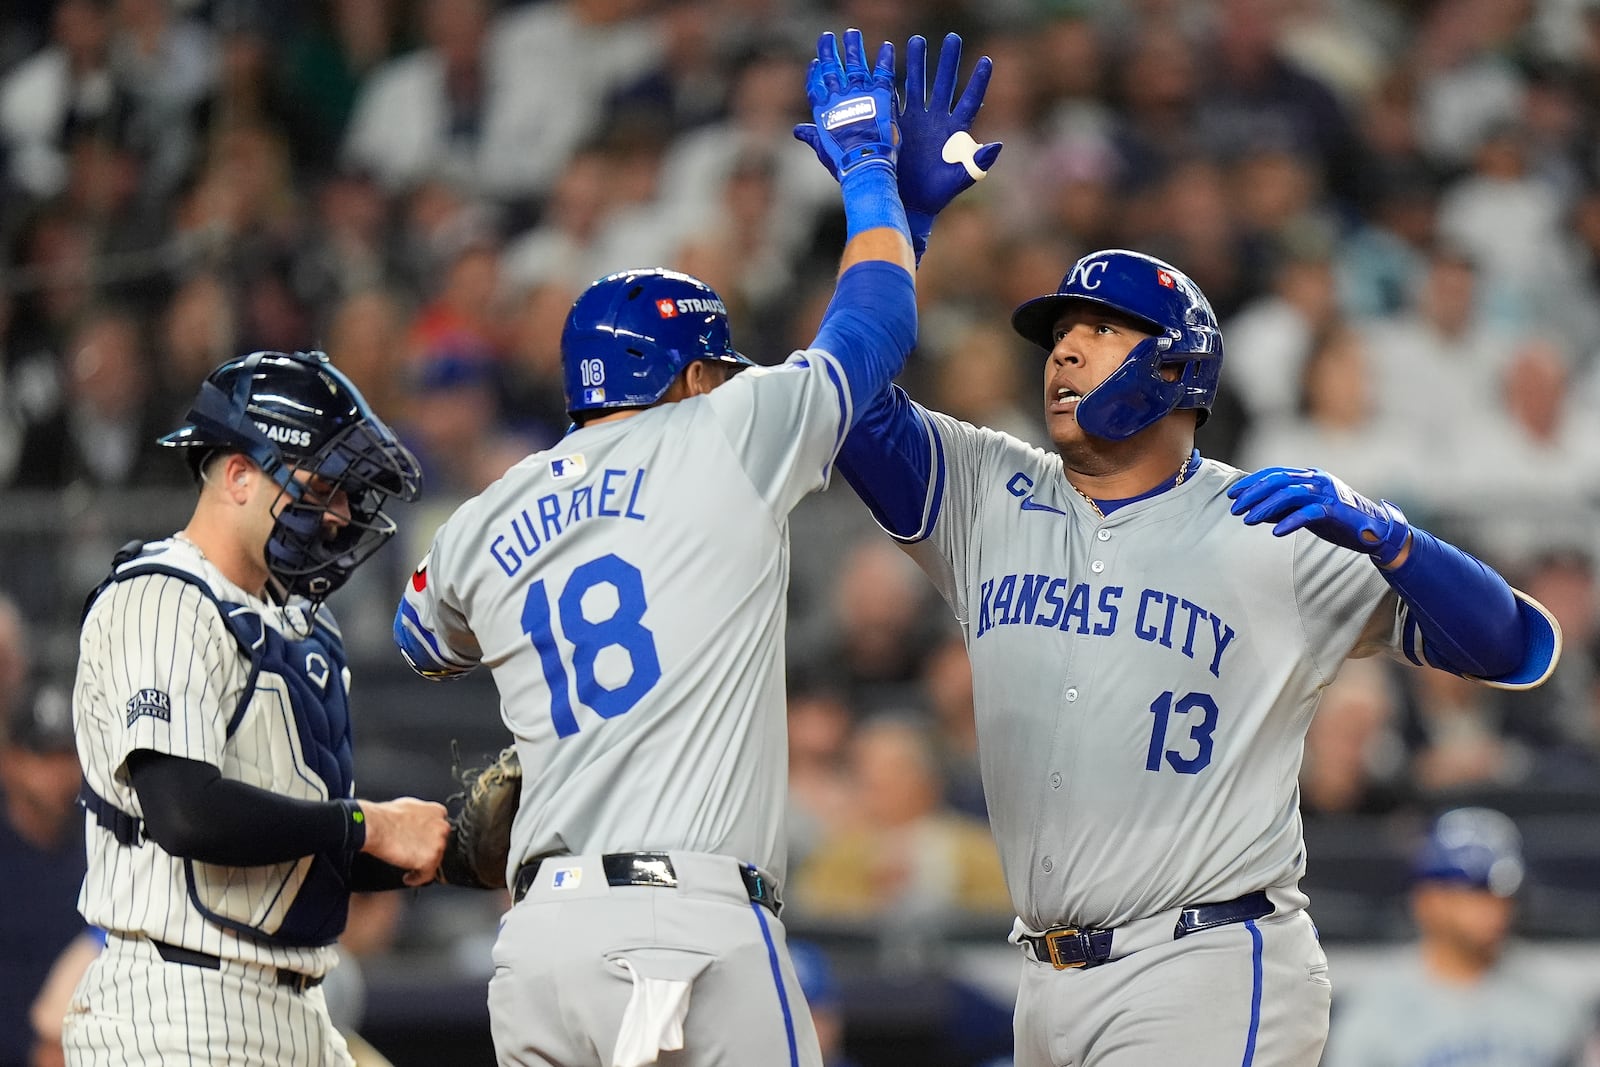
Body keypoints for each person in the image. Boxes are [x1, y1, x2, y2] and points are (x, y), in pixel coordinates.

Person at [829, 122, 1560, 1067]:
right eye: (1059, 335)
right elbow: (839, 397)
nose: (1063, 352)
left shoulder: (1274, 525)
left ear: (1177, 365)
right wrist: (894, 220)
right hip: (1044, 978)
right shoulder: (984, 487)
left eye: (1098, 330)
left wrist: (1393, 537)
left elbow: (1514, 649)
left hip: (1205, 962)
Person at [392, 28, 981, 1067]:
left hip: (536, 946)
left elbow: (421, 632)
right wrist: (873, 183)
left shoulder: (485, 514)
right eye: (715, 365)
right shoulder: (725, 427)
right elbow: (878, 322)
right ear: (688, 373)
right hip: (683, 930)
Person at [66, 350, 450, 1066]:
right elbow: (187, 811)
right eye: (323, 487)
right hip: (177, 1009)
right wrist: (368, 824)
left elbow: (293, 849)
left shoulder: (298, 621)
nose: (337, 515)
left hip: (292, 1007)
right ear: (240, 474)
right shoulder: (162, 596)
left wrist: (438, 850)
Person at [1322, 807, 1592, 1067]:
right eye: (1475, 892)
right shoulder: (1375, 1005)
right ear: (1427, 900)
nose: (1494, 908)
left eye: (1503, 894)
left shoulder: (1554, 994)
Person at [0, 680, 86, 1067]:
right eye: (43, 757)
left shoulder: (100, 850)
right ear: (10, 761)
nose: (59, 774)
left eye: (67, 755)